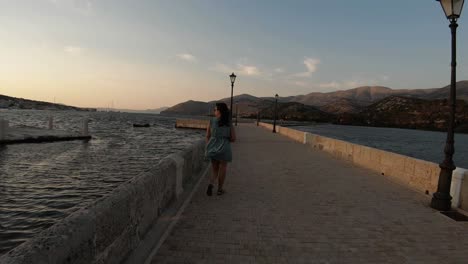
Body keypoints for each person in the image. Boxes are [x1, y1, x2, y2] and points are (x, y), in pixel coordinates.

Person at [205, 102, 236, 196]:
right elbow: (233, 138)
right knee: (223, 168)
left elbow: (207, 136)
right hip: (224, 148)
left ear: (219, 111)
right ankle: (219, 189)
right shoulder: (228, 122)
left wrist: (209, 146)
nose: (214, 111)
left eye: (215, 110)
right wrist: (225, 138)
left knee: (214, 169)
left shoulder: (211, 121)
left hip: (213, 146)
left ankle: (211, 184)